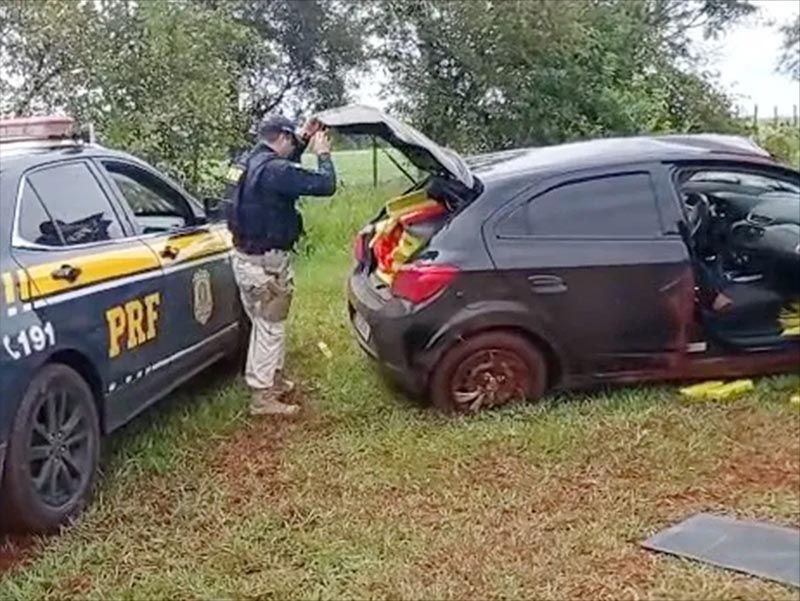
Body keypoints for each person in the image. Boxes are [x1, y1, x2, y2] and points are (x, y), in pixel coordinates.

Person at [227, 114, 336, 416]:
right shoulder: (275, 170)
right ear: (283, 138)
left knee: (262, 324)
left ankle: (270, 381)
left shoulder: (244, 162)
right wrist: (323, 154)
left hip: (243, 259)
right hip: (267, 265)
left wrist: (302, 137)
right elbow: (326, 185)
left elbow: (281, 172)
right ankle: (262, 397)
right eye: (292, 141)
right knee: (270, 326)